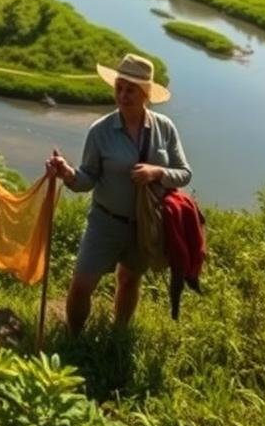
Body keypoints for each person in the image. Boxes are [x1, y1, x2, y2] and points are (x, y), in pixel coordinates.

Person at [45, 52, 191, 334]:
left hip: (144, 225)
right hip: (105, 222)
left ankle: (118, 335)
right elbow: (88, 177)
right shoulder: (100, 131)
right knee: (81, 284)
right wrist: (67, 173)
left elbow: (184, 173)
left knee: (129, 280)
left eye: (131, 90)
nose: (123, 95)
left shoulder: (165, 129)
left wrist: (157, 172)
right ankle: (74, 338)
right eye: (119, 88)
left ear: (146, 94)